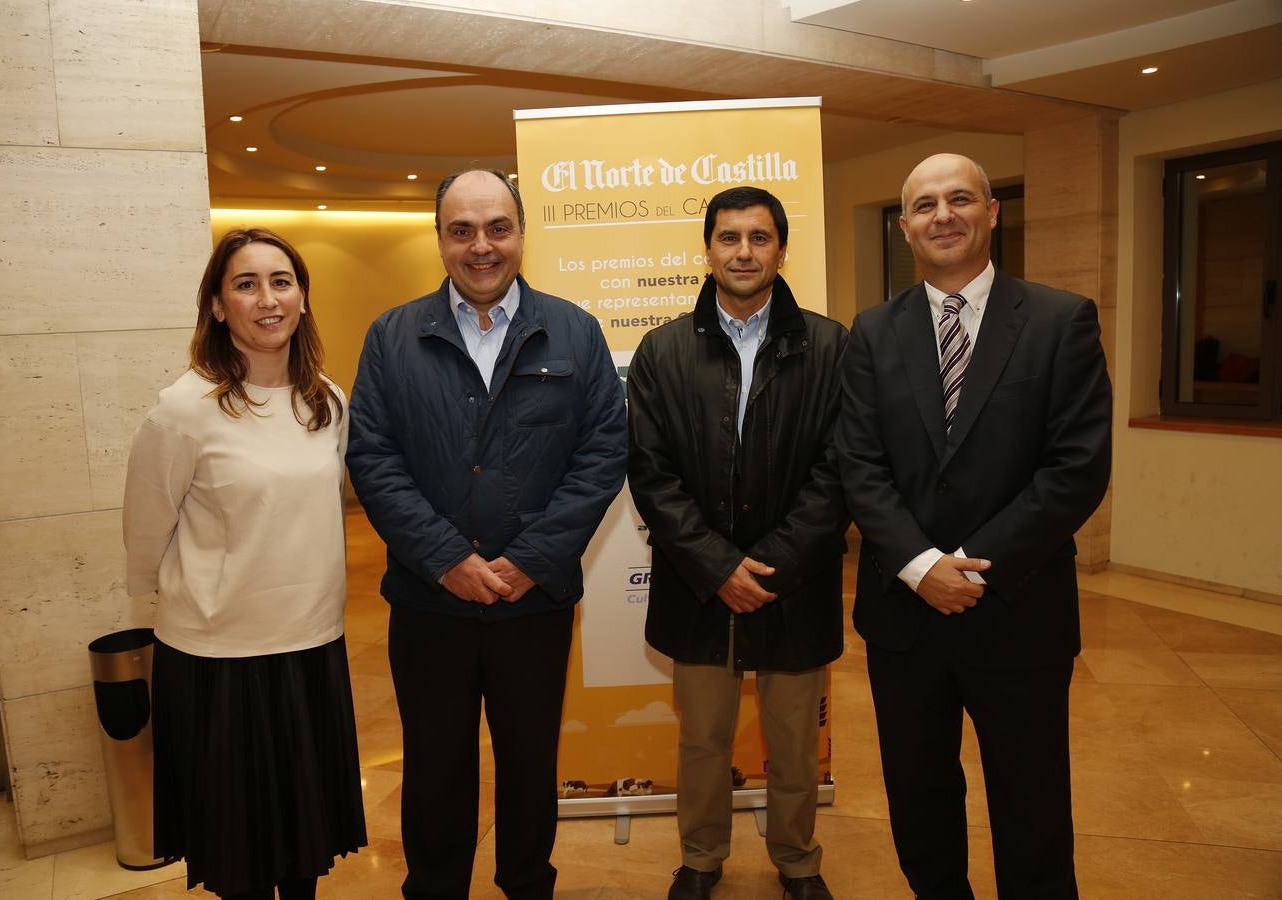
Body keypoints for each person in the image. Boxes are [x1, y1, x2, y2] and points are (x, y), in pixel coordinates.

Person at [346, 169, 627, 900]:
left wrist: (529, 561)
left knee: (530, 763)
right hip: (427, 603)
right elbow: (372, 459)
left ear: (521, 233)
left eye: (497, 227)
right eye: (461, 230)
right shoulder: (390, 336)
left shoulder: (575, 330)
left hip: (531, 601)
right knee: (435, 765)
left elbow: (602, 454)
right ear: (439, 239)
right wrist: (445, 560)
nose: (481, 246)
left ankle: (527, 885)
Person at [839, 153, 1112, 899]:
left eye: (959, 199)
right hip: (905, 616)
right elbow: (857, 464)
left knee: (1031, 808)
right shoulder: (869, 333)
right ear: (904, 228)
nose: (943, 215)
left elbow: (1075, 468)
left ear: (993, 212)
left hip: (1018, 612)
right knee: (919, 802)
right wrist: (921, 565)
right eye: (924, 205)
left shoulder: (1060, 321)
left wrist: (971, 561)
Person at [123, 228, 366, 900]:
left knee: (302, 846)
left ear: (303, 299)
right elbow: (144, 538)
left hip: (311, 647)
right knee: (240, 855)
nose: (267, 298)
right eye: (246, 283)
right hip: (216, 660)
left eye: (281, 281)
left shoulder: (326, 400)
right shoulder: (184, 410)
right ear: (217, 306)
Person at [627, 186, 850, 900]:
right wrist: (718, 566)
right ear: (708, 249)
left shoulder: (830, 344)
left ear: (782, 250)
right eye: (729, 238)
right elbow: (649, 471)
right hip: (699, 586)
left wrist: (771, 565)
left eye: (759, 238)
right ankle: (700, 858)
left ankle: (797, 861)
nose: (744, 252)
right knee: (701, 743)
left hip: (796, 583)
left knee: (792, 746)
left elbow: (839, 469)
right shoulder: (662, 350)